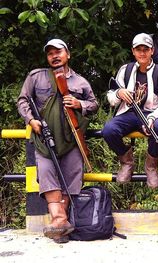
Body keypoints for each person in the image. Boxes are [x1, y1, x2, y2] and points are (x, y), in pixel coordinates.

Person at [17, 38, 99, 243]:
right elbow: (23, 100)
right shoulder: (36, 77)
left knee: (71, 179)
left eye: (58, 52)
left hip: (71, 140)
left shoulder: (80, 82)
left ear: (68, 54)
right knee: (47, 175)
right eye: (50, 53)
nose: (54, 56)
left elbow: (94, 105)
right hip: (43, 139)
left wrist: (79, 103)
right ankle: (59, 219)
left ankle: (61, 229)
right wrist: (31, 120)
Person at [102, 33, 158, 188]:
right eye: (138, 49)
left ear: (152, 50)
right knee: (108, 130)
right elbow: (112, 98)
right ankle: (126, 162)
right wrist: (119, 93)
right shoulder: (125, 70)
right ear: (133, 51)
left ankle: (151, 166)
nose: (142, 53)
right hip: (127, 112)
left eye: (145, 49)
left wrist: (152, 118)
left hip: (150, 113)